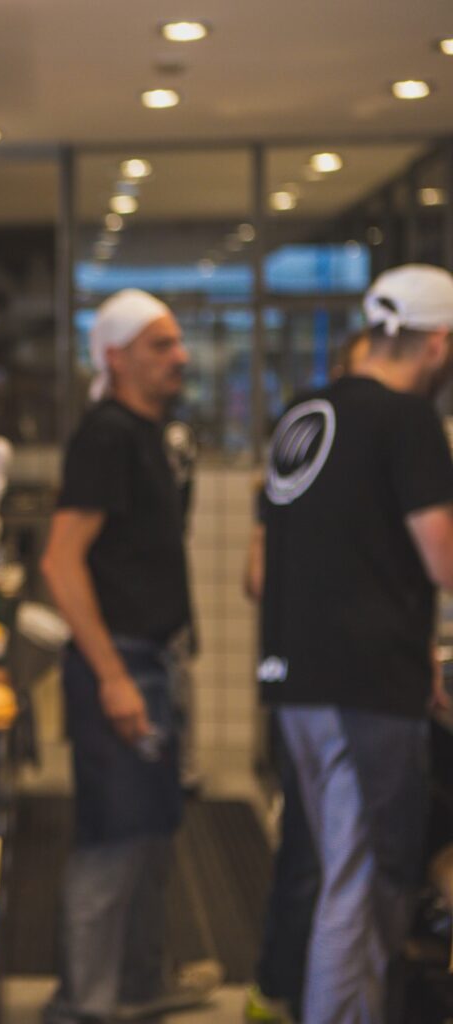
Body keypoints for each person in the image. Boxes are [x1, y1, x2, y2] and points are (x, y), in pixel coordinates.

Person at [256, 264, 453, 1024]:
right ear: (437, 343)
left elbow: (309, 551)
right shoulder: (406, 421)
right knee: (363, 881)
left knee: (343, 869)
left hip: (296, 678)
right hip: (364, 686)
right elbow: (441, 557)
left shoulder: (304, 414)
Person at [40, 289, 219, 1022]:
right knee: (113, 840)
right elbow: (60, 562)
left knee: (153, 831)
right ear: (114, 356)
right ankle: (83, 1004)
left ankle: (141, 985)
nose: (178, 358)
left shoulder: (153, 432)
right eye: (159, 345)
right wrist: (115, 677)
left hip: (156, 661)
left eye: (177, 344)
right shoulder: (107, 435)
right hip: (123, 666)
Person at [243, 332, 367, 1024]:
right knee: (333, 861)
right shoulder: (366, 455)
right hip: (342, 687)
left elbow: (256, 577)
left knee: (308, 849)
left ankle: (273, 990)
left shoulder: (296, 453)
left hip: (294, 679)